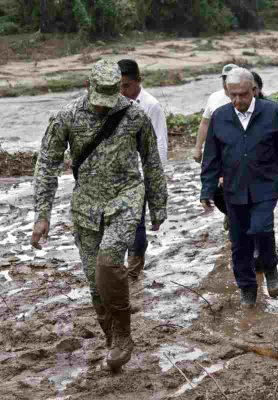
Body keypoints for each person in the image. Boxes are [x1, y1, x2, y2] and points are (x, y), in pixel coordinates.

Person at [31, 59, 168, 371]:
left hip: (126, 198)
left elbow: (151, 161)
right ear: (87, 87)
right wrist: (42, 215)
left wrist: (158, 205)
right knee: (95, 284)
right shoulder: (65, 116)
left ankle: (124, 335)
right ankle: (112, 338)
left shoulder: (135, 115)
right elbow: (47, 165)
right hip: (86, 206)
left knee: (109, 263)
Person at [200, 68, 278, 308]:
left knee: (262, 228)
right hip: (234, 189)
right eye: (232, 95)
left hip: (265, 184)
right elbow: (211, 156)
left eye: (242, 95)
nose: (237, 101)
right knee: (240, 242)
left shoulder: (273, 111)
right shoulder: (220, 116)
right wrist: (207, 189)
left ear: (254, 90)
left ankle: (270, 266)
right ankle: (247, 288)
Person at [117, 59, 168, 281]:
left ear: (139, 81)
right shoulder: (113, 103)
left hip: (140, 174)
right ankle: (122, 265)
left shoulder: (150, 106)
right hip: (117, 175)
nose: (122, 91)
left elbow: (160, 144)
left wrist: (156, 180)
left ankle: (134, 267)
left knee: (136, 222)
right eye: (119, 86)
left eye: (126, 86)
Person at [193, 63, 238, 163]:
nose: (227, 81)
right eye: (224, 78)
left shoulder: (245, 98)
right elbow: (205, 123)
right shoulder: (214, 97)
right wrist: (198, 148)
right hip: (216, 150)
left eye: (231, 78)